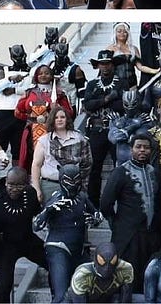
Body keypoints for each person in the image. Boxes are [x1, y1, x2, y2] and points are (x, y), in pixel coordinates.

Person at [100, 133, 161, 294]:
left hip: (152, 236)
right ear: (131, 149)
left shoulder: (155, 172)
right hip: (128, 235)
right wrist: (117, 223)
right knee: (128, 279)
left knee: (148, 277)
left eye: (146, 147)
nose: (142, 150)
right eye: (138, 147)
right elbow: (105, 203)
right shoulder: (120, 172)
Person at [32, 164, 104, 303]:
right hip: (59, 248)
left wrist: (94, 219)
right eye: (68, 182)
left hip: (78, 249)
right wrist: (49, 211)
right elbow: (36, 225)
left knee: (96, 284)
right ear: (61, 181)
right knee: (61, 295)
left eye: (76, 181)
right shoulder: (55, 198)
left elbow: (98, 215)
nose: (72, 185)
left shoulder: (82, 197)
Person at [0, 168, 47, 303]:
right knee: (4, 286)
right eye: (11, 184)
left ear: (26, 184)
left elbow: (38, 213)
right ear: (5, 182)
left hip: (27, 240)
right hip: (5, 247)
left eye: (19, 185)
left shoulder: (30, 194)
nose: (14, 189)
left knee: (53, 262)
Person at [81, 50, 121, 204]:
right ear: (98, 65)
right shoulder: (91, 84)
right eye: (102, 64)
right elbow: (88, 105)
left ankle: (116, 202)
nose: (105, 67)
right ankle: (93, 204)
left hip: (116, 128)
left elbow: (122, 105)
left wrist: (98, 100)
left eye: (107, 64)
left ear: (112, 65)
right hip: (96, 129)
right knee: (94, 168)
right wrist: (107, 98)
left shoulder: (121, 82)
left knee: (119, 167)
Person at [14, 64, 74, 168]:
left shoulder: (59, 94)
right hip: (31, 131)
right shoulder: (29, 93)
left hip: (52, 130)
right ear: (36, 76)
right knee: (31, 157)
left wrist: (57, 107)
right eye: (40, 73)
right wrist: (32, 119)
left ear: (51, 76)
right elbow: (18, 111)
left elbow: (69, 113)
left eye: (46, 73)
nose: (43, 76)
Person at [31, 107, 92, 205]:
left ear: (67, 119)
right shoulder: (44, 140)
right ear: (52, 120)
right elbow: (36, 166)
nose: (59, 120)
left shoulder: (79, 139)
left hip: (74, 186)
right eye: (56, 117)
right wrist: (37, 189)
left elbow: (87, 164)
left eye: (62, 117)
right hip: (50, 186)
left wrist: (82, 187)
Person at [64, 242, 134, 303]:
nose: (107, 269)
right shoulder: (82, 275)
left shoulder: (125, 269)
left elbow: (126, 297)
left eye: (111, 263)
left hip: (109, 299)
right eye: (102, 263)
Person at [106, 22, 157, 89]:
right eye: (119, 31)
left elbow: (140, 67)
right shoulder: (110, 49)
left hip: (132, 83)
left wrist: (154, 71)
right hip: (116, 84)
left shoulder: (134, 49)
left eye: (125, 32)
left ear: (128, 33)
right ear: (115, 33)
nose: (122, 33)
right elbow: (106, 66)